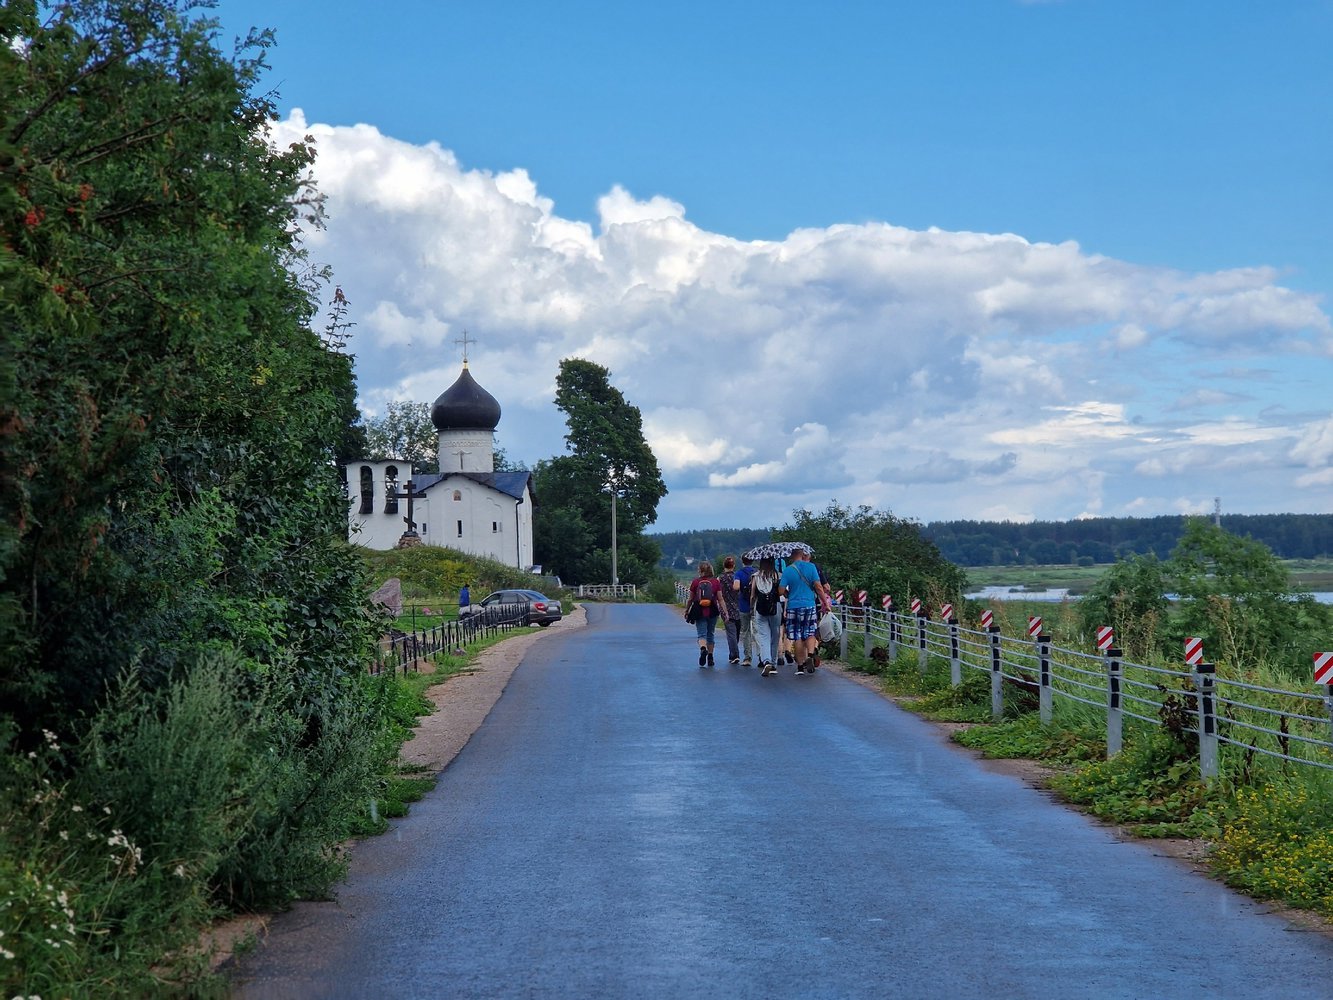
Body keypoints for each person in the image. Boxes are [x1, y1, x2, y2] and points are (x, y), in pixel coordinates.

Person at [780, 548, 828, 675]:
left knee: (797, 636)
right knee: (811, 632)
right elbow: (818, 587)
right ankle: (810, 655)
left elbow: (780, 590)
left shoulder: (788, 570)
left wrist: (788, 594)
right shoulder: (811, 567)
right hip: (809, 604)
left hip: (793, 606)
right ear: (802, 555)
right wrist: (825, 602)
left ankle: (800, 667)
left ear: (791, 556)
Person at [749, 557, 783, 675]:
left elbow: (753, 595)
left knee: (763, 636)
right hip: (775, 607)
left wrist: (751, 607)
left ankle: (766, 660)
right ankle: (773, 663)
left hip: (760, 608)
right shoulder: (778, 576)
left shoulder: (756, 576)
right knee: (775, 634)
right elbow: (782, 592)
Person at [687, 561, 724, 668]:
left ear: (700, 571)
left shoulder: (695, 582)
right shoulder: (715, 582)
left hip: (699, 610)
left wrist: (687, 610)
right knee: (711, 634)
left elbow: (690, 599)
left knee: (701, 634)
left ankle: (703, 649)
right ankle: (711, 657)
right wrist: (725, 612)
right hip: (712, 610)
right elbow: (720, 599)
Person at [717, 555, 742, 664]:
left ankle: (734, 654)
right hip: (739, 606)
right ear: (733, 566)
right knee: (736, 631)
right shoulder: (737, 577)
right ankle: (734, 650)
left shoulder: (720, 578)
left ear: (724, 566)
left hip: (725, 606)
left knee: (731, 632)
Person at [733, 555, 757, 666]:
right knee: (758, 632)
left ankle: (748, 657)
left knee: (746, 632)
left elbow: (736, 587)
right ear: (752, 560)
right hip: (757, 606)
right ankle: (762, 657)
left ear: (742, 561)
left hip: (743, 605)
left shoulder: (739, 573)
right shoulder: (757, 572)